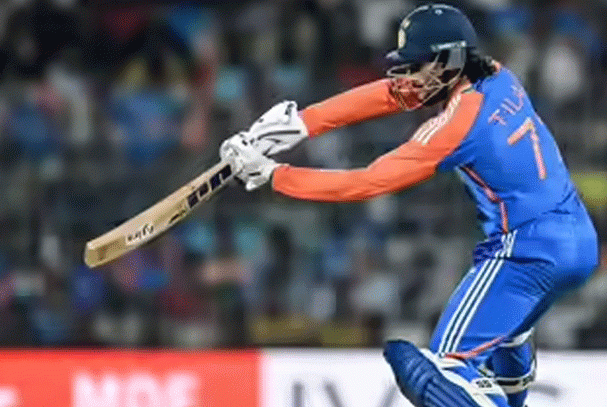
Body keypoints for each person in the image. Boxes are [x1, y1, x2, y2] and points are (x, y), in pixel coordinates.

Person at [220, 4, 598, 407]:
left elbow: (366, 182)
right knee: (504, 338)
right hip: (577, 238)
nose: (409, 78)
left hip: (527, 250)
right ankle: (512, 359)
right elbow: (392, 94)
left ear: (449, 62)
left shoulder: (457, 126)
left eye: (417, 67)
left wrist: (274, 175)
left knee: (445, 372)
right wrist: (302, 123)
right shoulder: (498, 77)